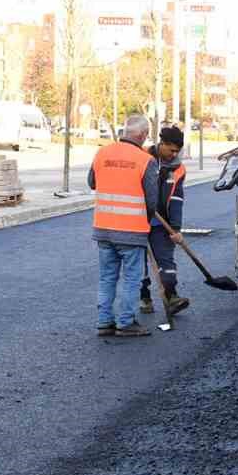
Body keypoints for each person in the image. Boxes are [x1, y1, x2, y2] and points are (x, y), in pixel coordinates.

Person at [89, 114, 161, 337]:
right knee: (132, 278)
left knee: (107, 277)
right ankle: (126, 322)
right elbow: (152, 199)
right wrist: (145, 220)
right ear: (143, 135)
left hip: (103, 228)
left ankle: (104, 322)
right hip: (131, 231)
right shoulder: (145, 160)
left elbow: (92, 182)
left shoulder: (102, 153)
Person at [139, 125, 190, 316]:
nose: (174, 154)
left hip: (162, 223)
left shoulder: (178, 168)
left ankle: (172, 295)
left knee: (167, 262)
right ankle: (144, 297)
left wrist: (175, 228)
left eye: (178, 150)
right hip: (137, 220)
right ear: (162, 144)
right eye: (171, 150)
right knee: (139, 263)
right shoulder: (143, 157)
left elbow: (177, 199)